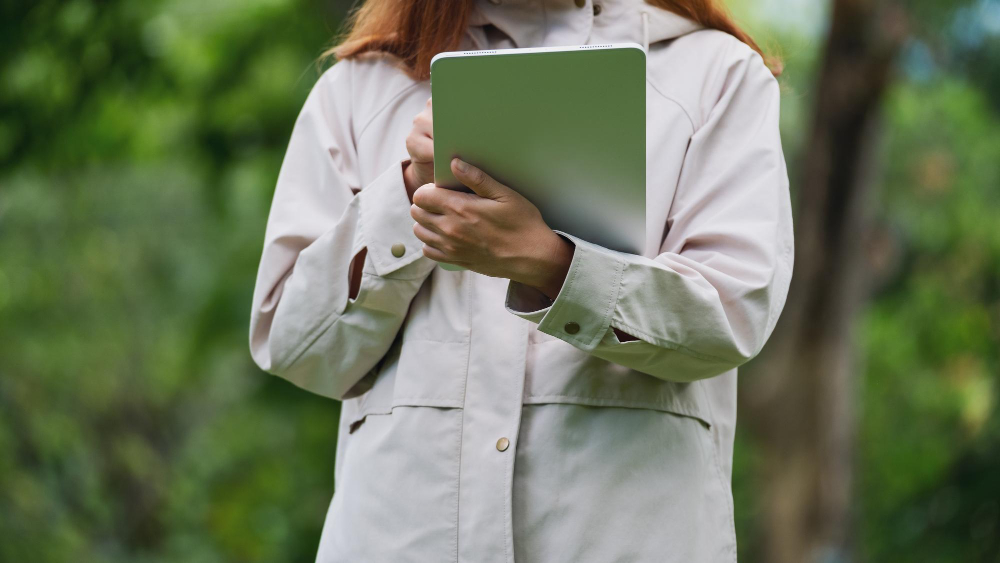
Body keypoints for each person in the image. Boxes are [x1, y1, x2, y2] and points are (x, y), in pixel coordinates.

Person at [249, 0, 794, 561]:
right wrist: (411, 190)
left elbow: (728, 318)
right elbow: (296, 348)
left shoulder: (716, 75)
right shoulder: (359, 90)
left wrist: (552, 266)